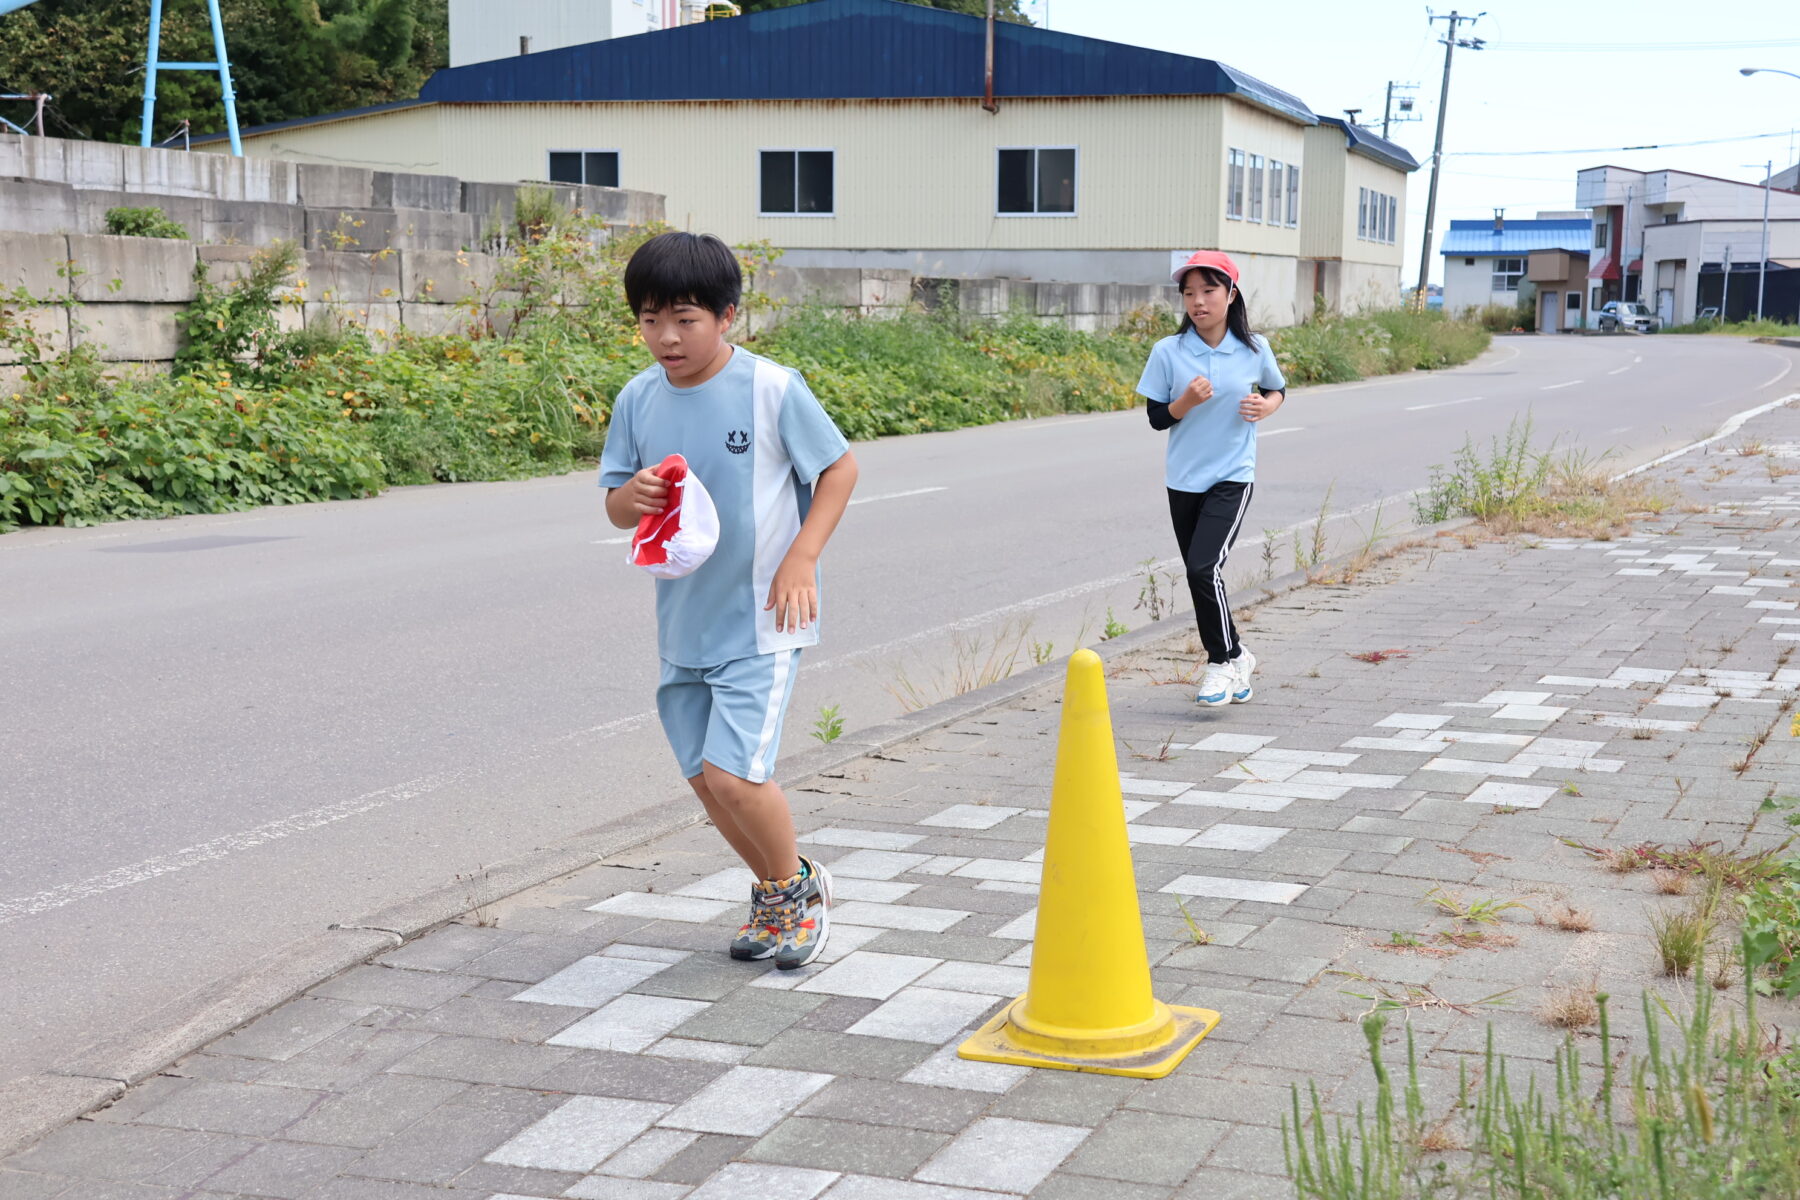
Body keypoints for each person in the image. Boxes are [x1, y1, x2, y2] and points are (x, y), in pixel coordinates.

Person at [600, 231, 859, 969]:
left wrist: (802, 557)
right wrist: (632, 495)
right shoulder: (638, 397)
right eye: (650, 319)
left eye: (685, 318)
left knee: (735, 777)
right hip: (682, 620)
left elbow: (839, 471)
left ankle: (797, 893)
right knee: (705, 782)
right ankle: (777, 891)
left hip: (761, 619)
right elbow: (616, 507)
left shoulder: (772, 387)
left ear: (727, 316)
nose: (666, 337)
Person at [1137, 250, 1287, 708]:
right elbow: (1157, 418)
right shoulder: (1169, 351)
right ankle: (1239, 654)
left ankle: (1219, 664)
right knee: (1202, 575)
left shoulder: (1255, 348)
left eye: (1208, 291)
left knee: (1204, 568)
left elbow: (1276, 389)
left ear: (1231, 294)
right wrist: (1184, 401)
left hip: (1232, 476)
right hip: (1183, 480)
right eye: (1189, 293)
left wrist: (1267, 407)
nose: (1198, 301)